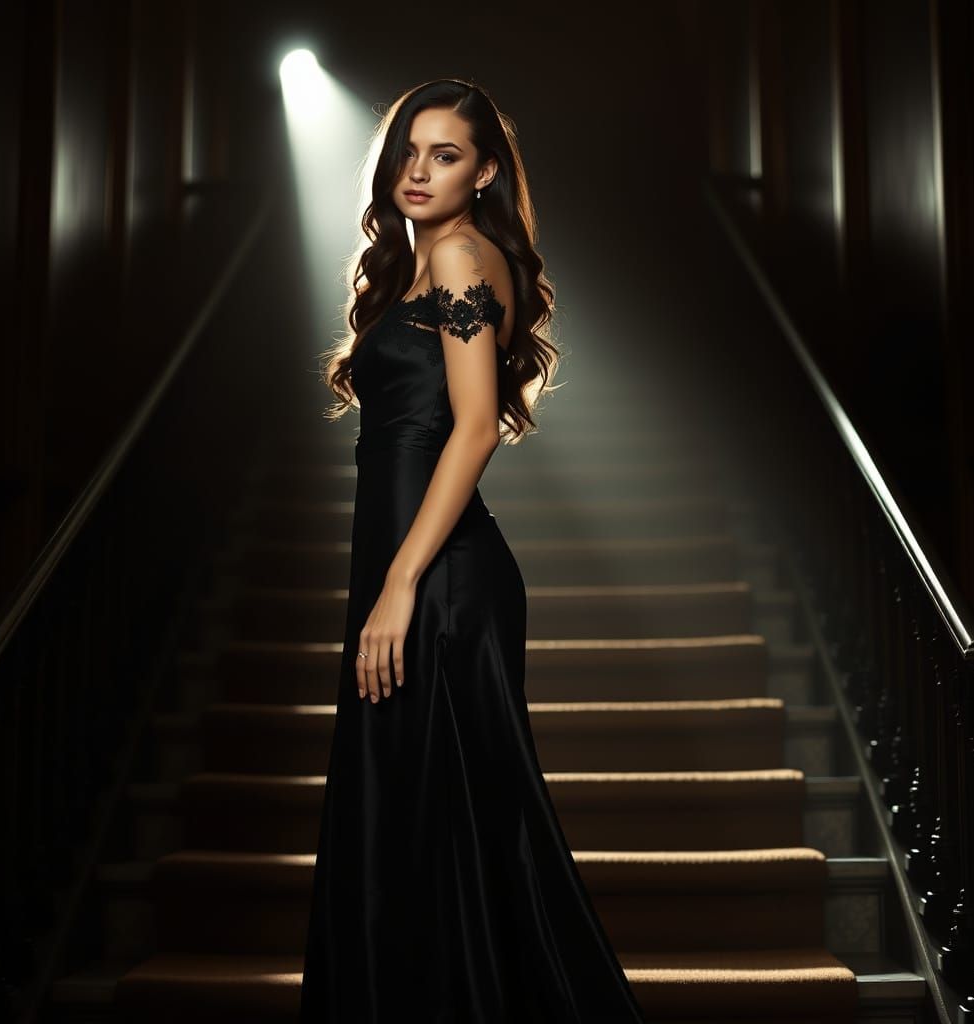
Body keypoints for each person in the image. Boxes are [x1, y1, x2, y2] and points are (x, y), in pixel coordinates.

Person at [302, 77, 646, 1023]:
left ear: (484, 170)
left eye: (445, 154)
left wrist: (401, 583)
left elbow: (476, 426)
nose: (419, 170)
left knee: (455, 828)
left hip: (442, 585)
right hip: (412, 575)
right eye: (409, 150)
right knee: (416, 830)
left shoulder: (459, 255)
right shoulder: (417, 267)